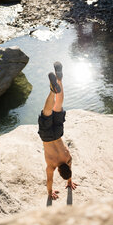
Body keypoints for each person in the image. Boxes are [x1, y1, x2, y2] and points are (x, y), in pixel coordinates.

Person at [38, 62, 77, 200]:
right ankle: (51, 91)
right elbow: (49, 181)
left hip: (58, 133)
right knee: (47, 112)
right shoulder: (52, 166)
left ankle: (59, 79)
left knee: (58, 106)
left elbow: (69, 169)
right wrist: (50, 193)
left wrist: (70, 180)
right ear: (59, 171)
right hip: (47, 137)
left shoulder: (68, 158)